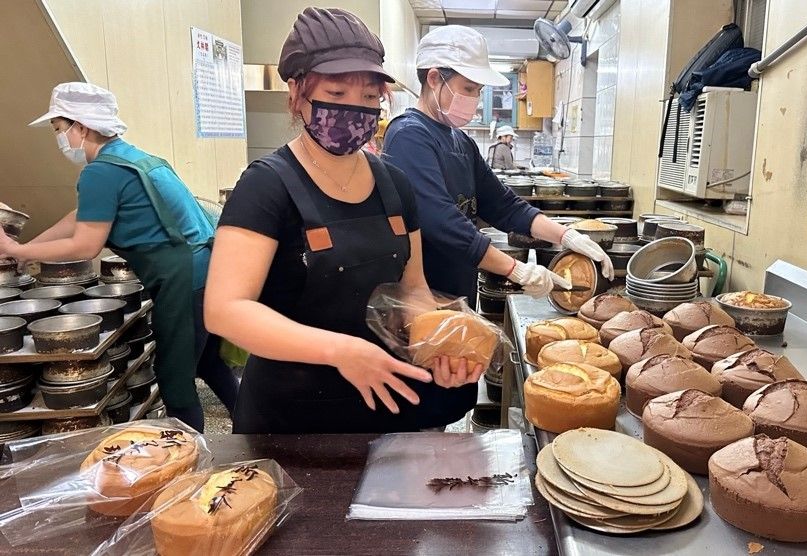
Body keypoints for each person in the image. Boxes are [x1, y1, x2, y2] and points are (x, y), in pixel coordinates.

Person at [204, 8, 483, 434]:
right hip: (288, 419)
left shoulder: (395, 184)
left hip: (385, 406)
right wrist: (339, 350)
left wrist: (438, 345)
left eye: (370, 98)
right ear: (297, 91)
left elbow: (413, 289)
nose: (356, 110)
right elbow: (226, 310)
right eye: (336, 94)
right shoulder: (266, 186)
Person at [0, 82, 238, 432]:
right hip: (207, 270)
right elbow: (83, 215)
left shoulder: (101, 171)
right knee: (206, 362)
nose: (60, 139)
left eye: (60, 129)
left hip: (184, 279)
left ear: (81, 126)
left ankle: (191, 463)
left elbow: (85, 244)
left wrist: (17, 250)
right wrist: (27, 247)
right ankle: (252, 425)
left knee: (173, 377)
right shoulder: (133, 158)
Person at [384, 26, 614, 308]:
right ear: (434, 78)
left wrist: (566, 235)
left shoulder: (461, 141)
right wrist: (515, 269)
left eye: (478, 91)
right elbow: (439, 221)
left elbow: (504, 205)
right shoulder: (408, 135)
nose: (475, 99)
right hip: (422, 299)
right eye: (468, 88)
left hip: (457, 290)